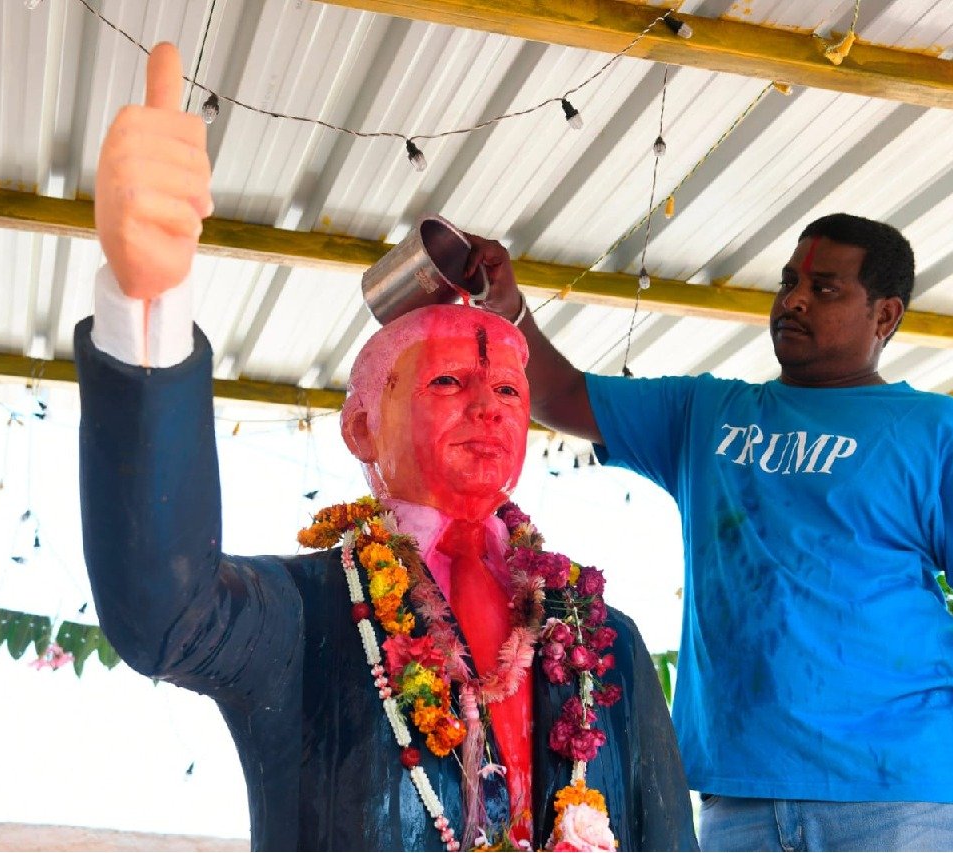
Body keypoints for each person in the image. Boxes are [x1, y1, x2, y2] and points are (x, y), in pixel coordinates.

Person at [75, 42, 697, 851]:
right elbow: (165, 613)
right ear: (360, 424)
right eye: (446, 383)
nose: (488, 407)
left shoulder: (601, 638)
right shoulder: (304, 616)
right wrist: (145, 302)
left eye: (508, 390)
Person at [467, 214, 953, 851]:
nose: (795, 300)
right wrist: (504, 307)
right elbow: (558, 394)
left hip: (903, 801)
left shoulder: (942, 432)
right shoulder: (705, 413)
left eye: (826, 289)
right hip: (737, 807)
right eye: (789, 283)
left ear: (885, 316)